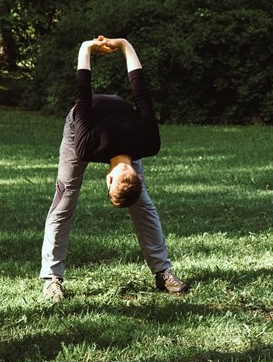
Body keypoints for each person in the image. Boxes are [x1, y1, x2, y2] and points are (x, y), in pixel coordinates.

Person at [40, 36, 188, 302]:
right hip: (82, 125)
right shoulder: (87, 146)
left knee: (141, 202)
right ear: (109, 178)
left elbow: (140, 88)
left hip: (112, 118)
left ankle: (162, 271)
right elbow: (83, 97)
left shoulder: (149, 144)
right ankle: (51, 278)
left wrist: (124, 45)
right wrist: (89, 47)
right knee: (65, 198)